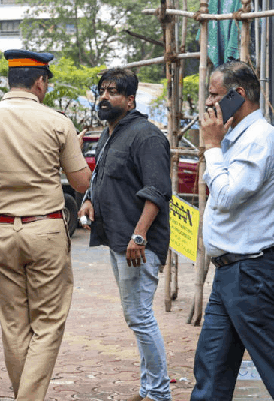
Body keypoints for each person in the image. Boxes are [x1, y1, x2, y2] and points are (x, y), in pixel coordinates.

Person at [0, 49, 91, 401]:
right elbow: (81, 183)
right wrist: (74, 151)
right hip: (45, 230)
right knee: (48, 323)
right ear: (39, 82)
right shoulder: (58, 122)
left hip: (1, 231)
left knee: (14, 326)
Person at [190, 60, 274, 401]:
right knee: (211, 369)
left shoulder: (259, 138)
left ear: (238, 94)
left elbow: (227, 195)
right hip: (231, 272)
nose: (208, 104)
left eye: (214, 95)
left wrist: (212, 147)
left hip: (251, 273)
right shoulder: (237, 137)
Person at [78, 68, 173, 401]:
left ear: (130, 100)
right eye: (101, 91)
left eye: (113, 91)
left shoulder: (147, 136)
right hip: (120, 239)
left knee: (140, 316)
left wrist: (140, 236)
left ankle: (158, 393)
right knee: (137, 316)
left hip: (138, 244)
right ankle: (149, 389)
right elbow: (101, 177)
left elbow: (158, 191)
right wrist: (89, 199)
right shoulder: (110, 134)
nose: (104, 97)